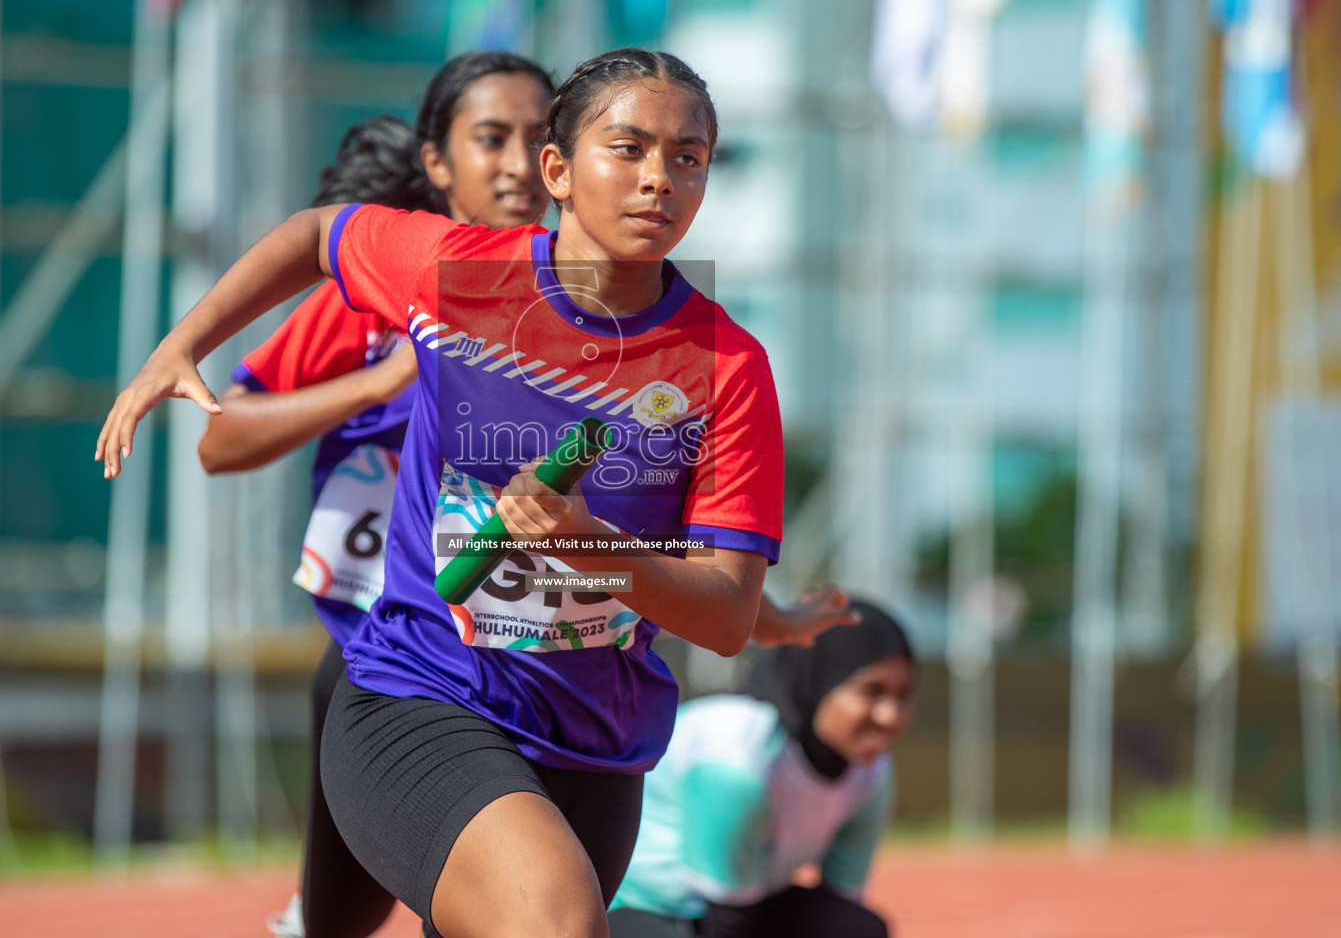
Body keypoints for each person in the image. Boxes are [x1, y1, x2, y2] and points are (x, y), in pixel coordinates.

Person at [97, 48, 793, 938]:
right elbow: (320, 234)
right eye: (628, 148)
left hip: (592, 745)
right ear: (559, 171)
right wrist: (182, 344)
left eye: (687, 158)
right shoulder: (458, 275)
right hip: (423, 694)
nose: (660, 179)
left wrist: (585, 545)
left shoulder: (727, 368)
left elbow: (727, 615)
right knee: (552, 921)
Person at [197, 51, 558, 938]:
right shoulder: (369, 300)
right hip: (383, 649)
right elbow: (219, 439)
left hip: (533, 658)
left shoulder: (576, 304)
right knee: (352, 920)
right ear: (437, 164)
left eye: (539, 139)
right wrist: (379, 382)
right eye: (491, 138)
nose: (518, 163)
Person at [607, 599, 916, 938]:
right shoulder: (738, 757)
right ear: (819, 676)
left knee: (855, 928)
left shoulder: (870, 773)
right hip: (640, 904)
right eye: (872, 691)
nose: (892, 716)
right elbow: (726, 925)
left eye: (904, 695)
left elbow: (839, 900)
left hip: (742, 905)